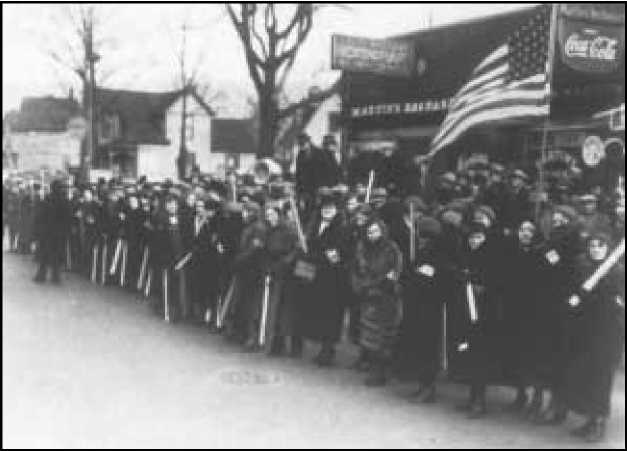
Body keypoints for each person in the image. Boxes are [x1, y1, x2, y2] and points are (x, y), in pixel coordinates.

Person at [558, 232, 624, 443]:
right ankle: (589, 419)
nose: (595, 249)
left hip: (607, 333)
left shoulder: (617, 272)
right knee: (587, 376)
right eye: (592, 245)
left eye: (600, 245)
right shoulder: (583, 268)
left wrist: (608, 298)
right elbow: (575, 293)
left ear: (608, 248)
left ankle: (599, 423)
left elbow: (618, 300)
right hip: (585, 332)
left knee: (601, 377)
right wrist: (575, 299)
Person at [448, 222, 503, 419]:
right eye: (471, 238)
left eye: (478, 237)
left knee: (480, 356)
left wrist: (480, 287)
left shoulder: (492, 258)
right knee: (469, 354)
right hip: (466, 312)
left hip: (484, 316)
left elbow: (496, 284)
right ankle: (472, 397)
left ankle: (479, 400)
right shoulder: (466, 256)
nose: (474, 241)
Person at [297, 195, 350, 366]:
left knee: (331, 315)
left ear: (336, 210)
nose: (327, 211)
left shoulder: (341, 228)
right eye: (324, 208)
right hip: (316, 276)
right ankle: (322, 348)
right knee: (319, 312)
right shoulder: (314, 225)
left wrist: (314, 255)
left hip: (332, 279)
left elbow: (334, 255)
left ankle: (328, 350)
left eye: (330, 208)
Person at [351, 217, 403, 387]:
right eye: (369, 232)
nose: (371, 235)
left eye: (375, 231)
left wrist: (382, 283)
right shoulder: (362, 249)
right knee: (369, 334)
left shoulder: (391, 249)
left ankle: (381, 370)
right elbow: (356, 270)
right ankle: (373, 366)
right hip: (368, 295)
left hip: (385, 297)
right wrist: (360, 285)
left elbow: (394, 272)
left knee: (384, 335)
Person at [33, 180, 71, 284]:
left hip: (47, 233)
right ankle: (56, 276)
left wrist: (38, 233)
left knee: (44, 255)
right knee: (57, 255)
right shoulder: (65, 201)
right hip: (59, 234)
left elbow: (39, 217)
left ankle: (41, 275)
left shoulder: (46, 200)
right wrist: (66, 232)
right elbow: (68, 219)